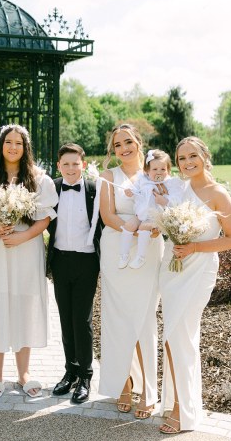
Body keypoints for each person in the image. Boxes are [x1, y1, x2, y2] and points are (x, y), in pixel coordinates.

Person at [0, 124, 58, 398]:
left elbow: (44, 217)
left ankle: (24, 374)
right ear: (1, 145)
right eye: (8, 142)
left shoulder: (39, 177)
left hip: (25, 250)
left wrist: (22, 238)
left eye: (18, 143)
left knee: (24, 306)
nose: (13, 147)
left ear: (25, 148)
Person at [158, 137, 231, 434]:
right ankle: (179, 403)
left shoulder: (218, 194)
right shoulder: (179, 189)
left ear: (205, 156)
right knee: (171, 337)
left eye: (192, 156)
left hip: (199, 269)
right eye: (181, 159)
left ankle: (183, 410)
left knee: (182, 336)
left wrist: (193, 249)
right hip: (173, 268)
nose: (187, 162)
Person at [98, 124, 164, 419]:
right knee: (117, 317)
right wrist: (132, 230)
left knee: (145, 319)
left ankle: (149, 390)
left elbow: (165, 208)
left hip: (149, 249)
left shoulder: (155, 173)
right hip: (116, 247)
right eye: (117, 145)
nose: (123, 148)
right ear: (113, 150)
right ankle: (123, 383)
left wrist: (149, 229)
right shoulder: (107, 176)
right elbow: (107, 215)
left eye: (128, 142)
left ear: (139, 143)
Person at [47, 143, 101, 403]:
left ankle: (86, 377)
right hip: (61, 261)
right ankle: (70, 372)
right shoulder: (52, 188)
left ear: (84, 164)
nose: (70, 168)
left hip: (87, 261)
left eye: (75, 164)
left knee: (82, 320)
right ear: (58, 166)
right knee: (66, 319)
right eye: (65, 164)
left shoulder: (93, 190)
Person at [120, 149, 184, 269]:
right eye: (155, 169)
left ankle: (141, 257)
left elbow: (177, 201)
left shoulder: (170, 184)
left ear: (168, 170)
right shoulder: (143, 181)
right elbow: (135, 190)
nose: (159, 172)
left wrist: (164, 200)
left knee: (144, 227)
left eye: (163, 169)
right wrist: (130, 192)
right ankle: (124, 254)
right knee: (129, 225)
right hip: (141, 214)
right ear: (147, 171)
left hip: (157, 217)